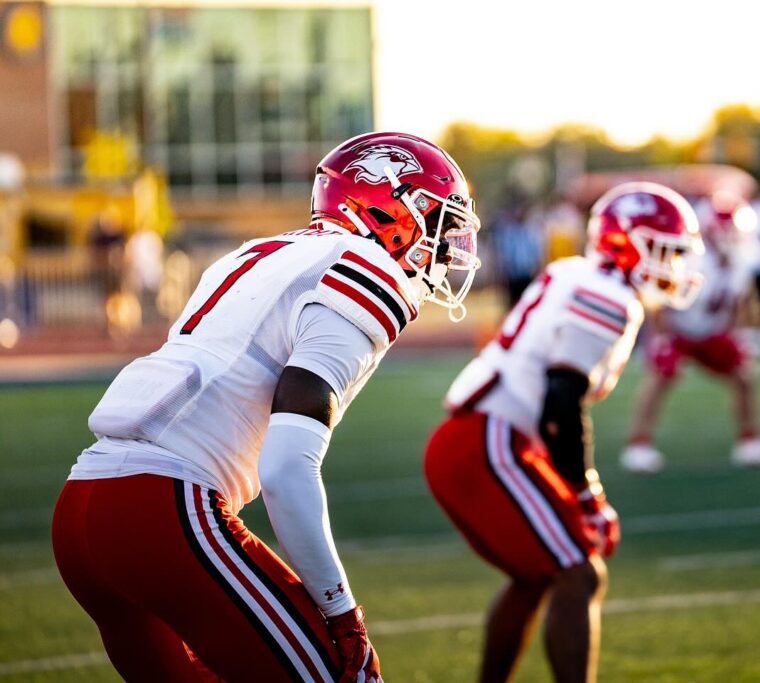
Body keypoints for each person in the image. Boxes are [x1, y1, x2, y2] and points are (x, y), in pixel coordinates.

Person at [50, 132, 482, 682]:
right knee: (348, 675)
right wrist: (340, 608)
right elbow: (285, 469)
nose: (444, 249)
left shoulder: (256, 254)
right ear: (387, 204)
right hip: (160, 509)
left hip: (80, 510)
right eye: (438, 223)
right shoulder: (367, 272)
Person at [423, 182, 704, 683]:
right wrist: (586, 493)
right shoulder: (608, 296)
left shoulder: (575, 273)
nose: (673, 267)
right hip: (489, 441)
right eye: (664, 251)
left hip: (480, 437)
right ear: (628, 243)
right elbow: (560, 399)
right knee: (579, 571)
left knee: (538, 576)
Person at [620, 193, 760, 472]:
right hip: (679, 329)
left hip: (712, 331)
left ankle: (749, 441)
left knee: (744, 376)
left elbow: (740, 301)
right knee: (658, 379)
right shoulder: (691, 258)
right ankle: (638, 444)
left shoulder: (742, 259)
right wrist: (662, 336)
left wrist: (738, 334)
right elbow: (659, 297)